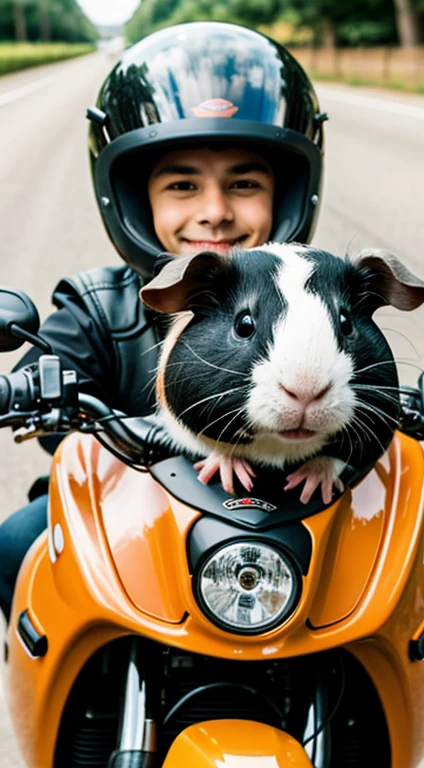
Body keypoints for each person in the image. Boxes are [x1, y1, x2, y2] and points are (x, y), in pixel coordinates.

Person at [0, 20, 326, 623]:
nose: (215, 212)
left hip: (295, 514)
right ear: (133, 197)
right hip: (125, 514)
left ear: (285, 195)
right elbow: (42, 384)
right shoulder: (100, 306)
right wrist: (29, 388)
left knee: (412, 552)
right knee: (20, 539)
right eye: (182, 184)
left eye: (244, 183)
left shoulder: (318, 307)